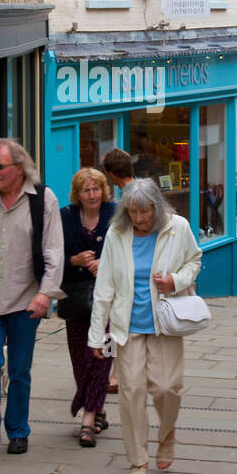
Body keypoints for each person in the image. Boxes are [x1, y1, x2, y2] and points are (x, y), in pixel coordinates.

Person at [88, 179, 201, 474]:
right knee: (132, 393)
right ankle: (138, 460)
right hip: (129, 328)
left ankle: (166, 436)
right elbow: (105, 286)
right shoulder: (116, 233)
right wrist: (97, 335)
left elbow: (195, 259)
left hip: (165, 325)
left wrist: (175, 281)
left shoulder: (177, 227)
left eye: (144, 211)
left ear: (157, 207)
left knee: (167, 389)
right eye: (133, 212)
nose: (138, 218)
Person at [0, 139, 64, 456]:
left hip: (26, 299)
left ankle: (18, 431)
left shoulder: (43, 199)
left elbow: (54, 252)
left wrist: (46, 294)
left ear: (19, 169)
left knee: (20, 369)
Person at [60, 168, 115, 446]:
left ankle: (87, 419)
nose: (92, 195)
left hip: (110, 303)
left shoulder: (116, 214)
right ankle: (99, 408)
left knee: (102, 358)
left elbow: (128, 253)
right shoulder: (65, 216)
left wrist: (103, 264)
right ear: (77, 194)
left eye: (96, 189)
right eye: (86, 190)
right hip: (76, 301)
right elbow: (52, 256)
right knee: (81, 360)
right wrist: (75, 261)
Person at [100, 149, 134, 394]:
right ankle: (116, 373)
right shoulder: (140, 190)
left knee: (119, 324)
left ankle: (117, 376)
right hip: (130, 270)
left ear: (112, 174)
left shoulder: (129, 198)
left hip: (128, 273)